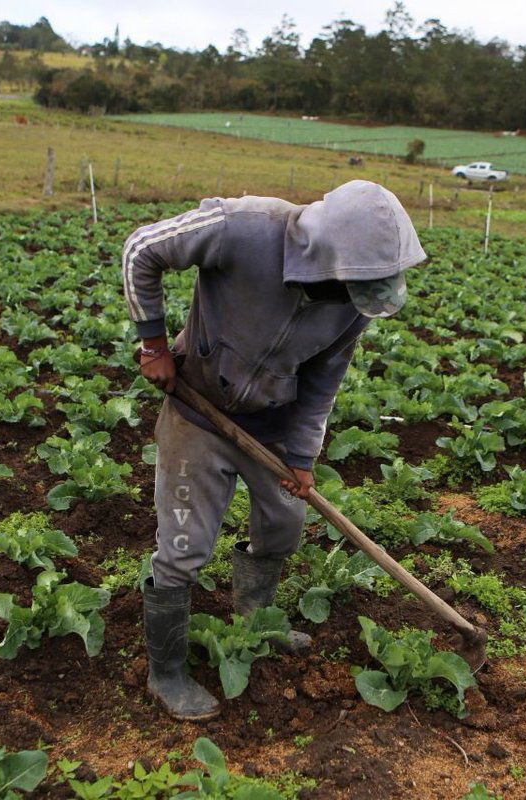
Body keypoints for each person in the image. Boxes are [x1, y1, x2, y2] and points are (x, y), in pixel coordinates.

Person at [123, 180, 425, 720]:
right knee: (184, 546)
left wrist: (303, 458)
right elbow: (140, 249)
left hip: (273, 427)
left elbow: (322, 382)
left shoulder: (352, 306)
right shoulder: (241, 229)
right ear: (325, 259)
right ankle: (165, 672)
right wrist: (152, 342)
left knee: (284, 526)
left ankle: (255, 619)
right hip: (199, 412)